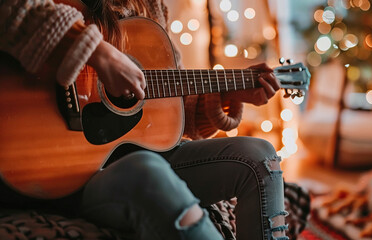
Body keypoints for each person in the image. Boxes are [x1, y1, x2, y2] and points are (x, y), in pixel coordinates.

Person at [0, 0, 288, 239]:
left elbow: (168, 112)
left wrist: (228, 96)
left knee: (259, 156)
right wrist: (99, 55)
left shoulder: (151, 6)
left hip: (137, 155)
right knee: (146, 168)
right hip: (61, 171)